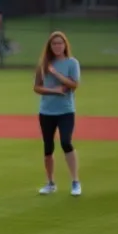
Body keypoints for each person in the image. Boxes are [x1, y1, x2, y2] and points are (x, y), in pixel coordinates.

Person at [33, 31, 82, 196]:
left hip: (66, 110)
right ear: (50, 46)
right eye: (54, 44)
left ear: (65, 45)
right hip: (46, 111)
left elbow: (74, 84)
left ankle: (75, 181)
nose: (57, 46)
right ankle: (50, 183)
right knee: (48, 147)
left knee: (66, 142)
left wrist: (55, 73)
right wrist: (53, 91)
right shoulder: (43, 64)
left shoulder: (72, 63)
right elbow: (37, 87)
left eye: (60, 43)